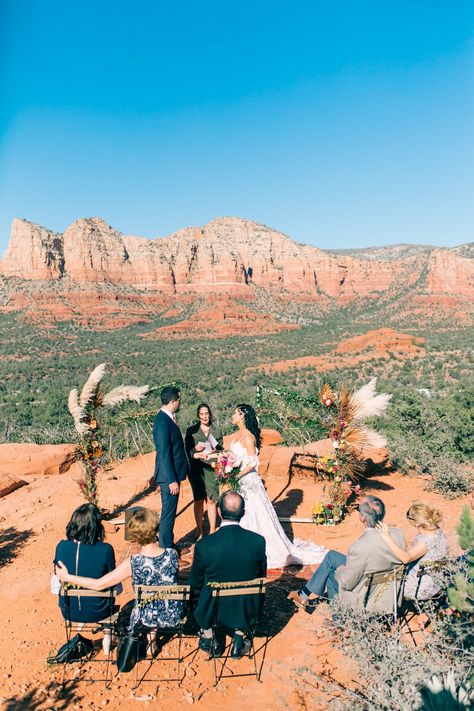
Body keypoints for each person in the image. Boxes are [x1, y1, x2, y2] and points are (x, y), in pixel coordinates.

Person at [56, 508, 183, 651]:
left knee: (130, 610)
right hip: (172, 613)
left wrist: (67, 577)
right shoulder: (173, 555)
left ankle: (121, 638)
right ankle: (151, 641)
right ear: (156, 529)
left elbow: (99, 584)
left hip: (143, 618)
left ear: (134, 536)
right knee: (154, 597)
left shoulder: (133, 562)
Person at [228, 403, 326, 569]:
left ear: (242, 415)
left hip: (248, 482)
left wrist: (235, 475)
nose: (232, 416)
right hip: (240, 481)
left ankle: (253, 550)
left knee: (253, 514)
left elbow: (252, 462)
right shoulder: (238, 435)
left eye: (235, 414)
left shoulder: (248, 437)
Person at [288, 496, 406, 613]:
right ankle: (303, 594)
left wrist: (340, 572)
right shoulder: (399, 535)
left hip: (367, 592)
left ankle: (339, 622)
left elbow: (348, 583)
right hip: (388, 589)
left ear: (362, 517)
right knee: (332, 556)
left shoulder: (360, 547)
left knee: (331, 575)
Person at [189, 491, 267, 659]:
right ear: (243, 513)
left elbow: (195, 583)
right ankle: (238, 640)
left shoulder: (205, 545)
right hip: (244, 607)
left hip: (213, 609)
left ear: (218, 511)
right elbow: (262, 576)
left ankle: (210, 638)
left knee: (198, 591)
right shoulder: (258, 542)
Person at [54, 504, 117, 624]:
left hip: (69, 610)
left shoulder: (61, 546)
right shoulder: (105, 549)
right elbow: (113, 580)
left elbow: (56, 578)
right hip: (100, 610)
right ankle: (108, 636)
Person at [376, 501, 448, 601]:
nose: (408, 519)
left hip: (420, 588)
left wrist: (386, 537)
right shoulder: (439, 532)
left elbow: (406, 558)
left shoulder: (424, 542)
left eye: (409, 517)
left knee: (379, 580)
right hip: (437, 583)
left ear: (417, 522)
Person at [152, 386, 189, 548]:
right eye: (178, 400)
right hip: (169, 477)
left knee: (170, 512)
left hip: (172, 474)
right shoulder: (162, 421)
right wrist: (172, 480)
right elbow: (164, 453)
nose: (180, 403)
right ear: (173, 402)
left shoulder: (168, 418)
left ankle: (169, 544)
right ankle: (165, 548)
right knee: (168, 513)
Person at [185, 403, 223, 539]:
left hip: (211, 469)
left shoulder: (217, 430)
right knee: (199, 499)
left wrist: (215, 452)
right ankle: (199, 531)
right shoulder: (192, 431)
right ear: (198, 415)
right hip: (196, 470)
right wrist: (195, 450)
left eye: (206, 413)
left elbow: (221, 450)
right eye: (202, 414)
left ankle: (212, 530)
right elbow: (186, 451)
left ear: (210, 414)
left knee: (211, 499)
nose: (205, 416)